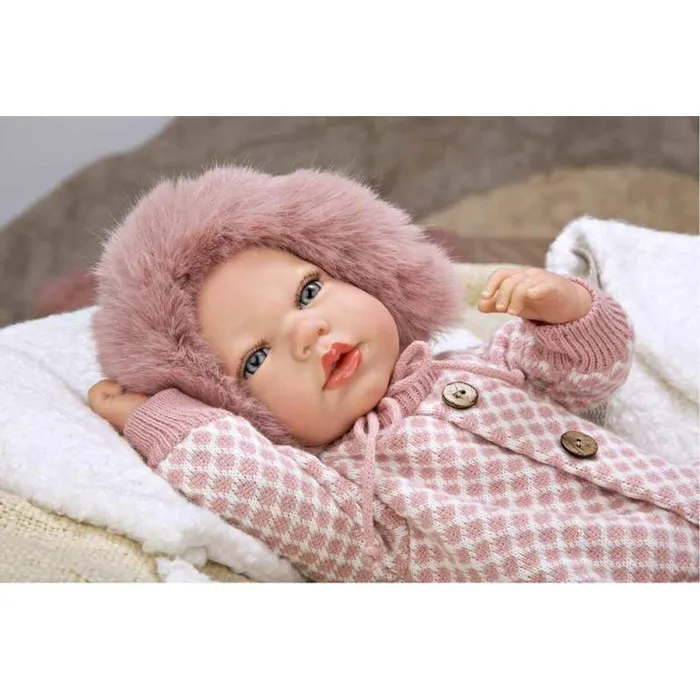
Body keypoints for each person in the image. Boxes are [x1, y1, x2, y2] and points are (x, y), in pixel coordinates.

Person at [88, 166, 699, 582]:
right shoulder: (348, 495)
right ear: (236, 407)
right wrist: (158, 414)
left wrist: (565, 309)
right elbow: (253, 484)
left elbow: (590, 374)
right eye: (255, 357)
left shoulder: (479, 364)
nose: (308, 332)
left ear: (368, 276)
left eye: (308, 292)